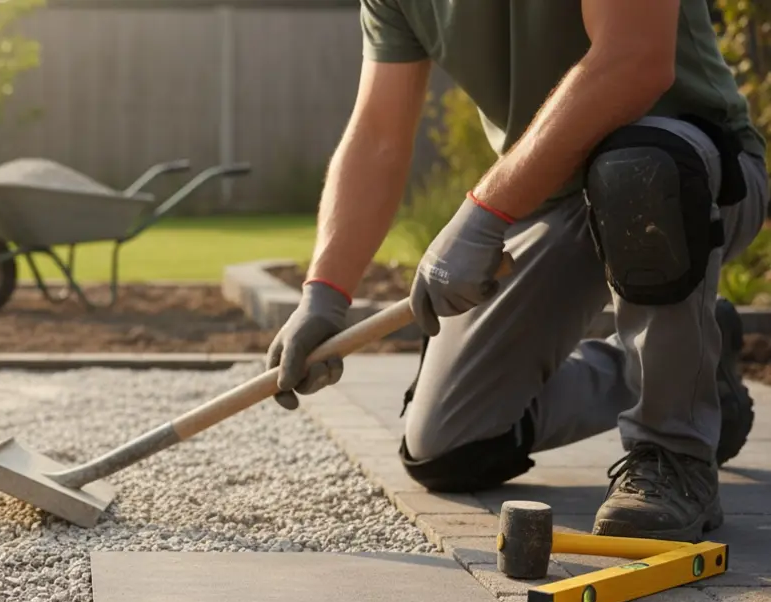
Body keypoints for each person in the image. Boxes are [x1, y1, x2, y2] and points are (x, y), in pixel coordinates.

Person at [268, 0, 768, 542]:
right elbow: (378, 137)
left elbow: (635, 62)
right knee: (449, 445)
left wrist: (483, 212)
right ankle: (693, 369)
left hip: (692, 167)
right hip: (549, 199)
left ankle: (674, 454)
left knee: (637, 169)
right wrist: (324, 295)